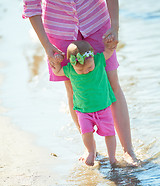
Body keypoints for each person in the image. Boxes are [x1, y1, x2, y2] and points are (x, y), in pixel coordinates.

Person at [22, 0, 139, 166]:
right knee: (73, 90)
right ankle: (90, 149)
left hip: (97, 22)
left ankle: (128, 150)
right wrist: (47, 46)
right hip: (59, 29)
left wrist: (115, 26)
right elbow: (31, 5)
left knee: (112, 84)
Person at [52, 40, 116, 166]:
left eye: (89, 68)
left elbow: (109, 52)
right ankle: (91, 152)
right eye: (80, 71)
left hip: (103, 107)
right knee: (86, 133)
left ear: (92, 56)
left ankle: (112, 158)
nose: (86, 71)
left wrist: (110, 44)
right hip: (82, 111)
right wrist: (56, 63)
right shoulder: (70, 69)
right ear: (72, 64)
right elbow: (58, 72)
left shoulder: (98, 60)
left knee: (110, 133)